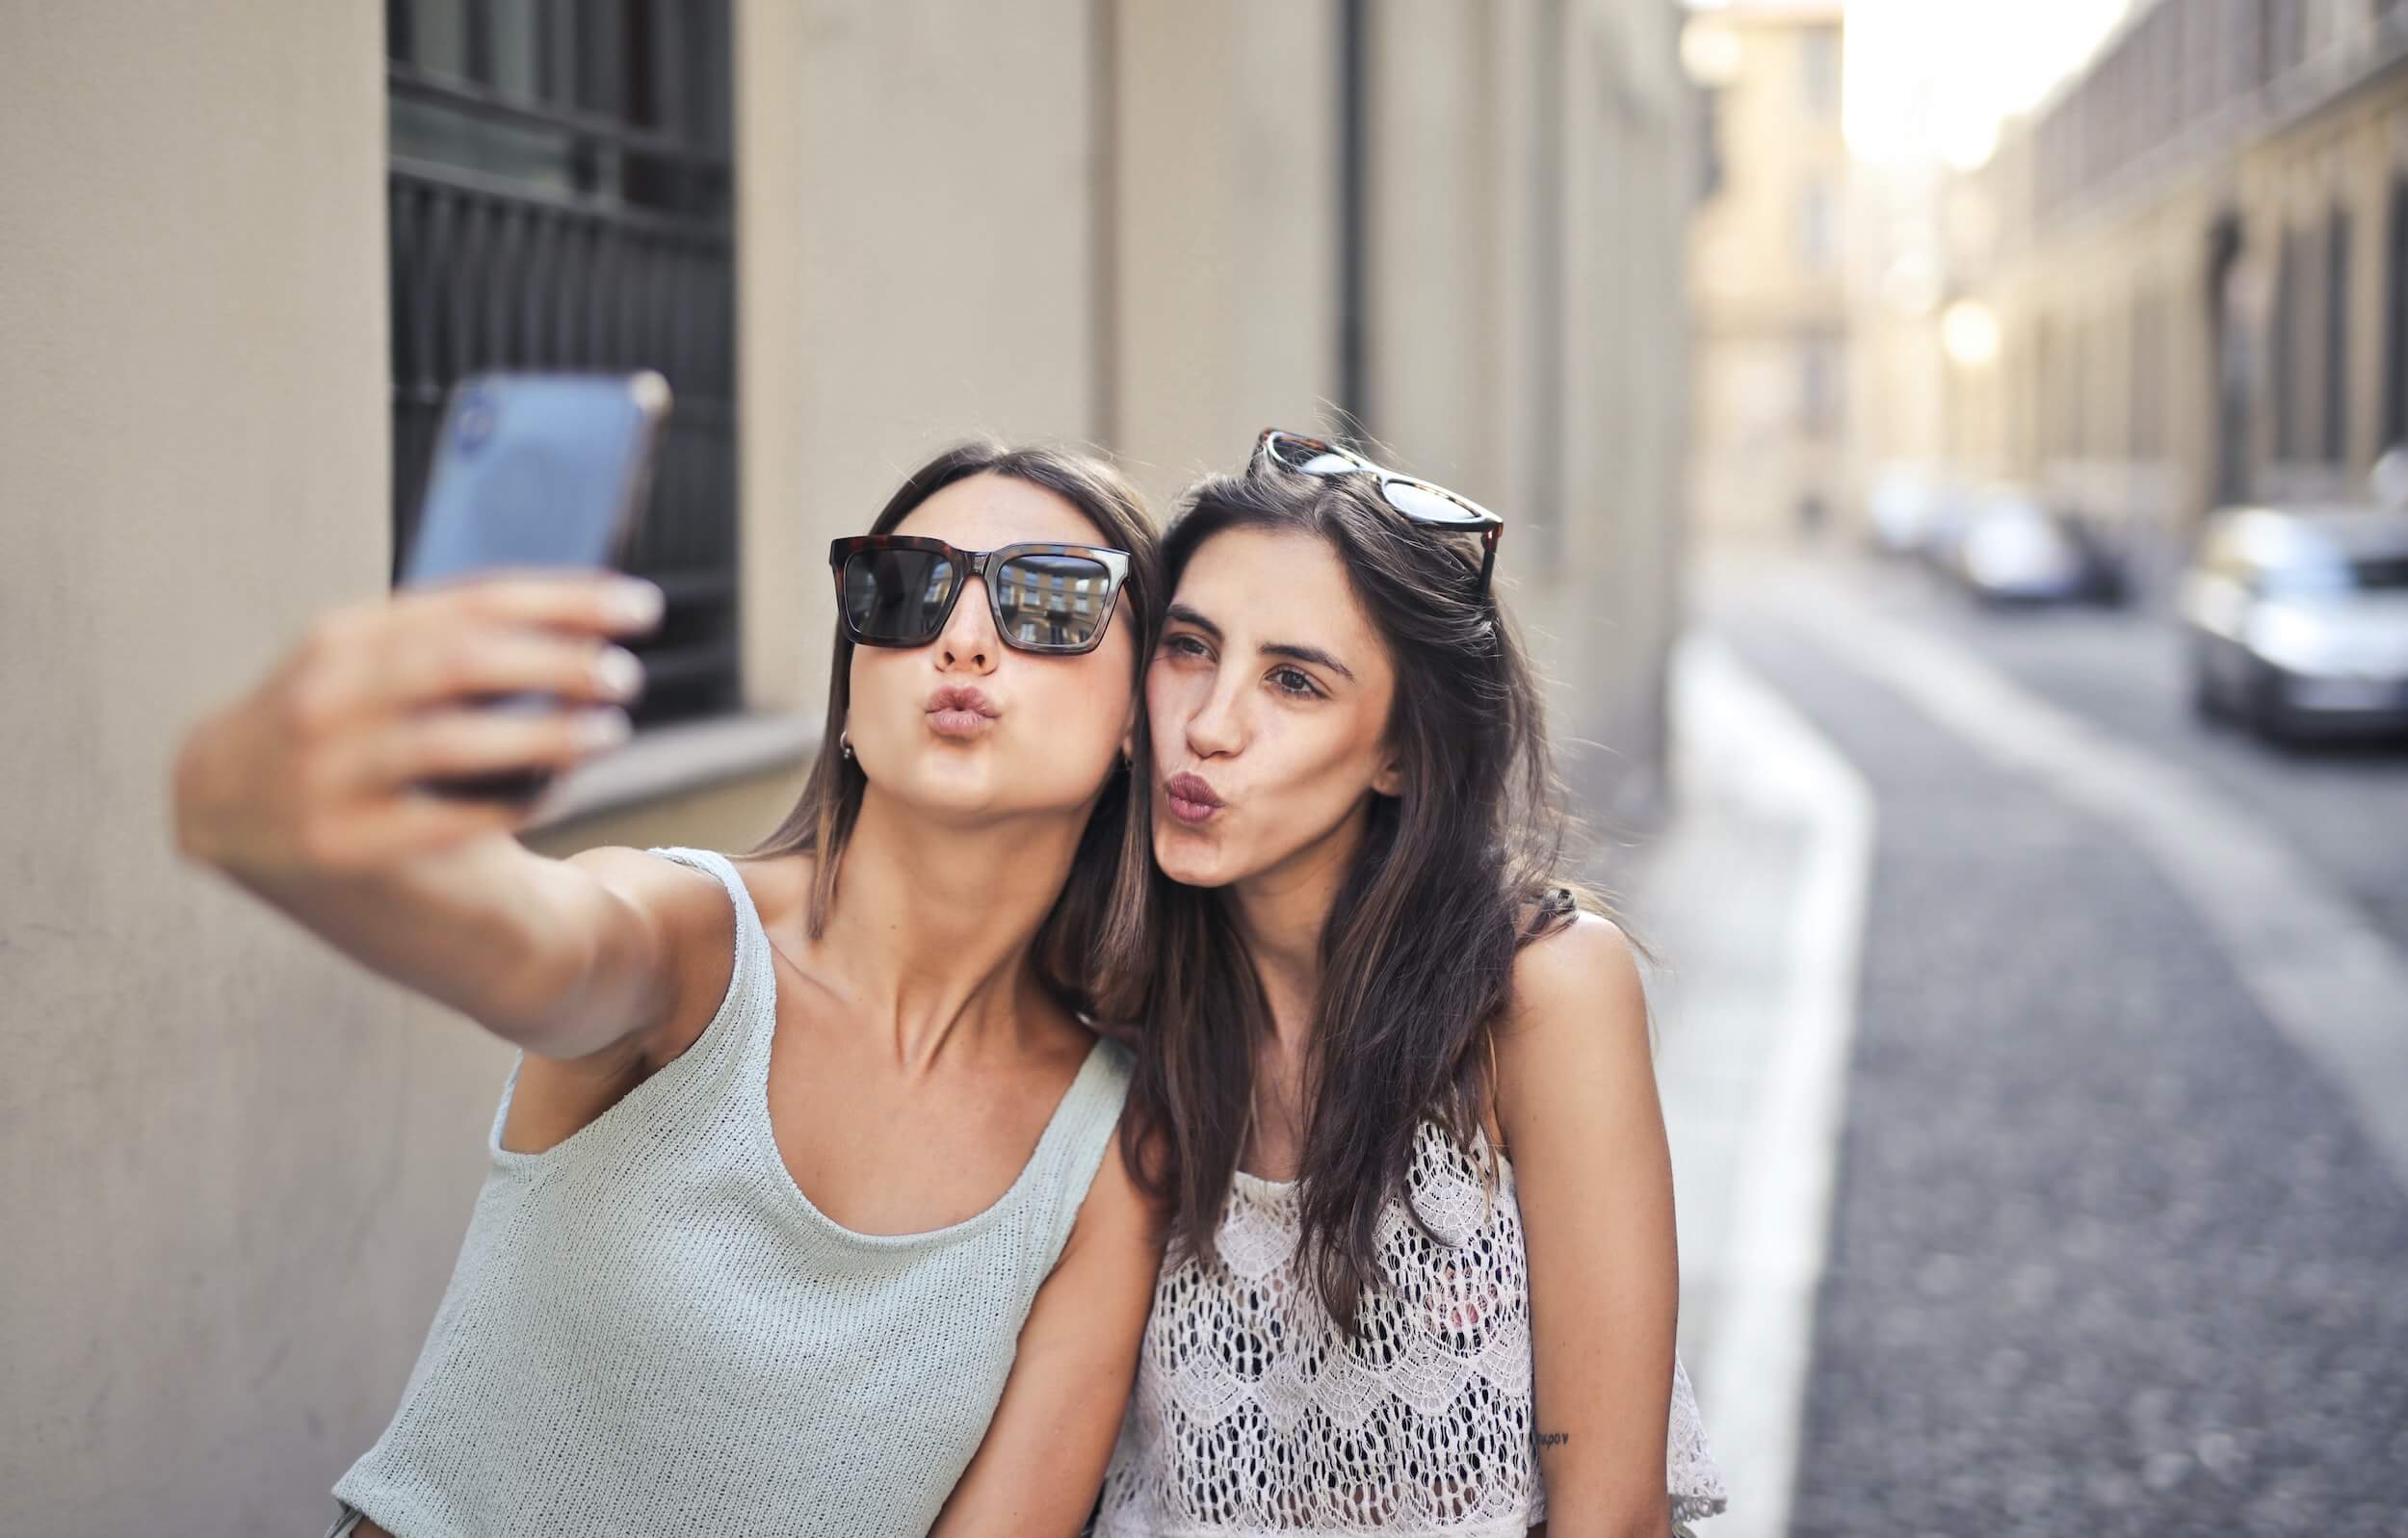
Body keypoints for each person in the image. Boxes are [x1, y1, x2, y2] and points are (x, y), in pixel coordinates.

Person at [170, 442, 1168, 1538]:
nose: (964, 639)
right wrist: (278, 810)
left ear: (1137, 722)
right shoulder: (688, 941)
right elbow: (536, 942)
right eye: (906, 588)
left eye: (1049, 598)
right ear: (849, 696)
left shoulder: (1108, 1147)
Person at [1092, 432, 1726, 1536]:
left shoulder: (1536, 998)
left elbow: (1610, 1511)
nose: (1208, 723)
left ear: (1399, 752)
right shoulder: (1113, 1008)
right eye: (1189, 647)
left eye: (1293, 680)